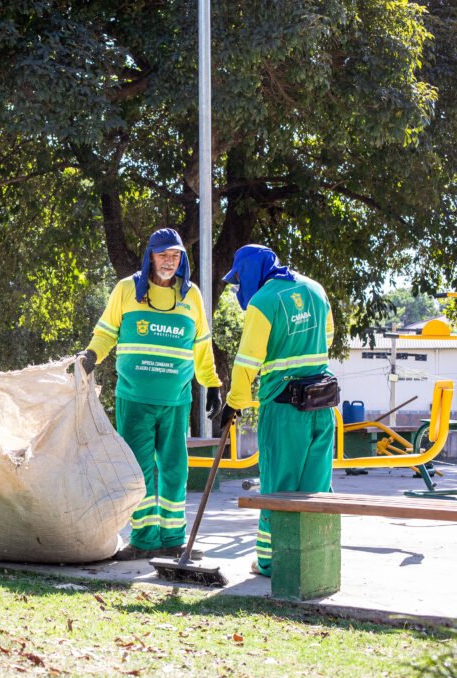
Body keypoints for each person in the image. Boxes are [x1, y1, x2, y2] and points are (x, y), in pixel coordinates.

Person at [76, 228, 222, 561]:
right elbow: (106, 331)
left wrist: (212, 383)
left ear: (181, 259)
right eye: (163, 255)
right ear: (150, 256)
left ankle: (172, 539)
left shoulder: (192, 296)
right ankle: (142, 540)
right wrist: (91, 355)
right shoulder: (127, 290)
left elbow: (202, 345)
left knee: (175, 470)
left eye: (175, 256)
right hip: (134, 398)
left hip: (175, 401)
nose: (169, 262)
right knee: (138, 471)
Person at [218, 244, 336, 577]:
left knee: (279, 487)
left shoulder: (264, 301)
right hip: (322, 403)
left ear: (252, 270)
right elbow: (328, 335)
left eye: (240, 278)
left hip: (284, 408)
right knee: (316, 487)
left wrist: (235, 403)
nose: (240, 287)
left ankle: (271, 561)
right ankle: (314, 560)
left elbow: (246, 363)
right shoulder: (315, 289)